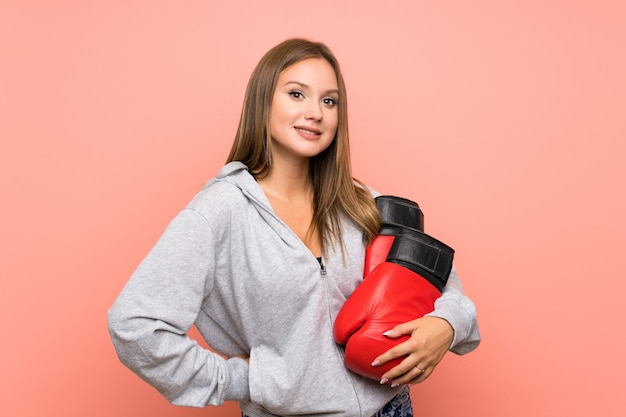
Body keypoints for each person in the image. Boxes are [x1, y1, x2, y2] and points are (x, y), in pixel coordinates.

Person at [108, 38, 480, 417]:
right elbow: (134, 325)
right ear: (263, 101)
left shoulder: (359, 200)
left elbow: (438, 279)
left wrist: (446, 324)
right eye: (297, 94)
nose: (315, 112)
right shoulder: (219, 211)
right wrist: (240, 381)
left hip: (392, 409)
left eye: (329, 101)